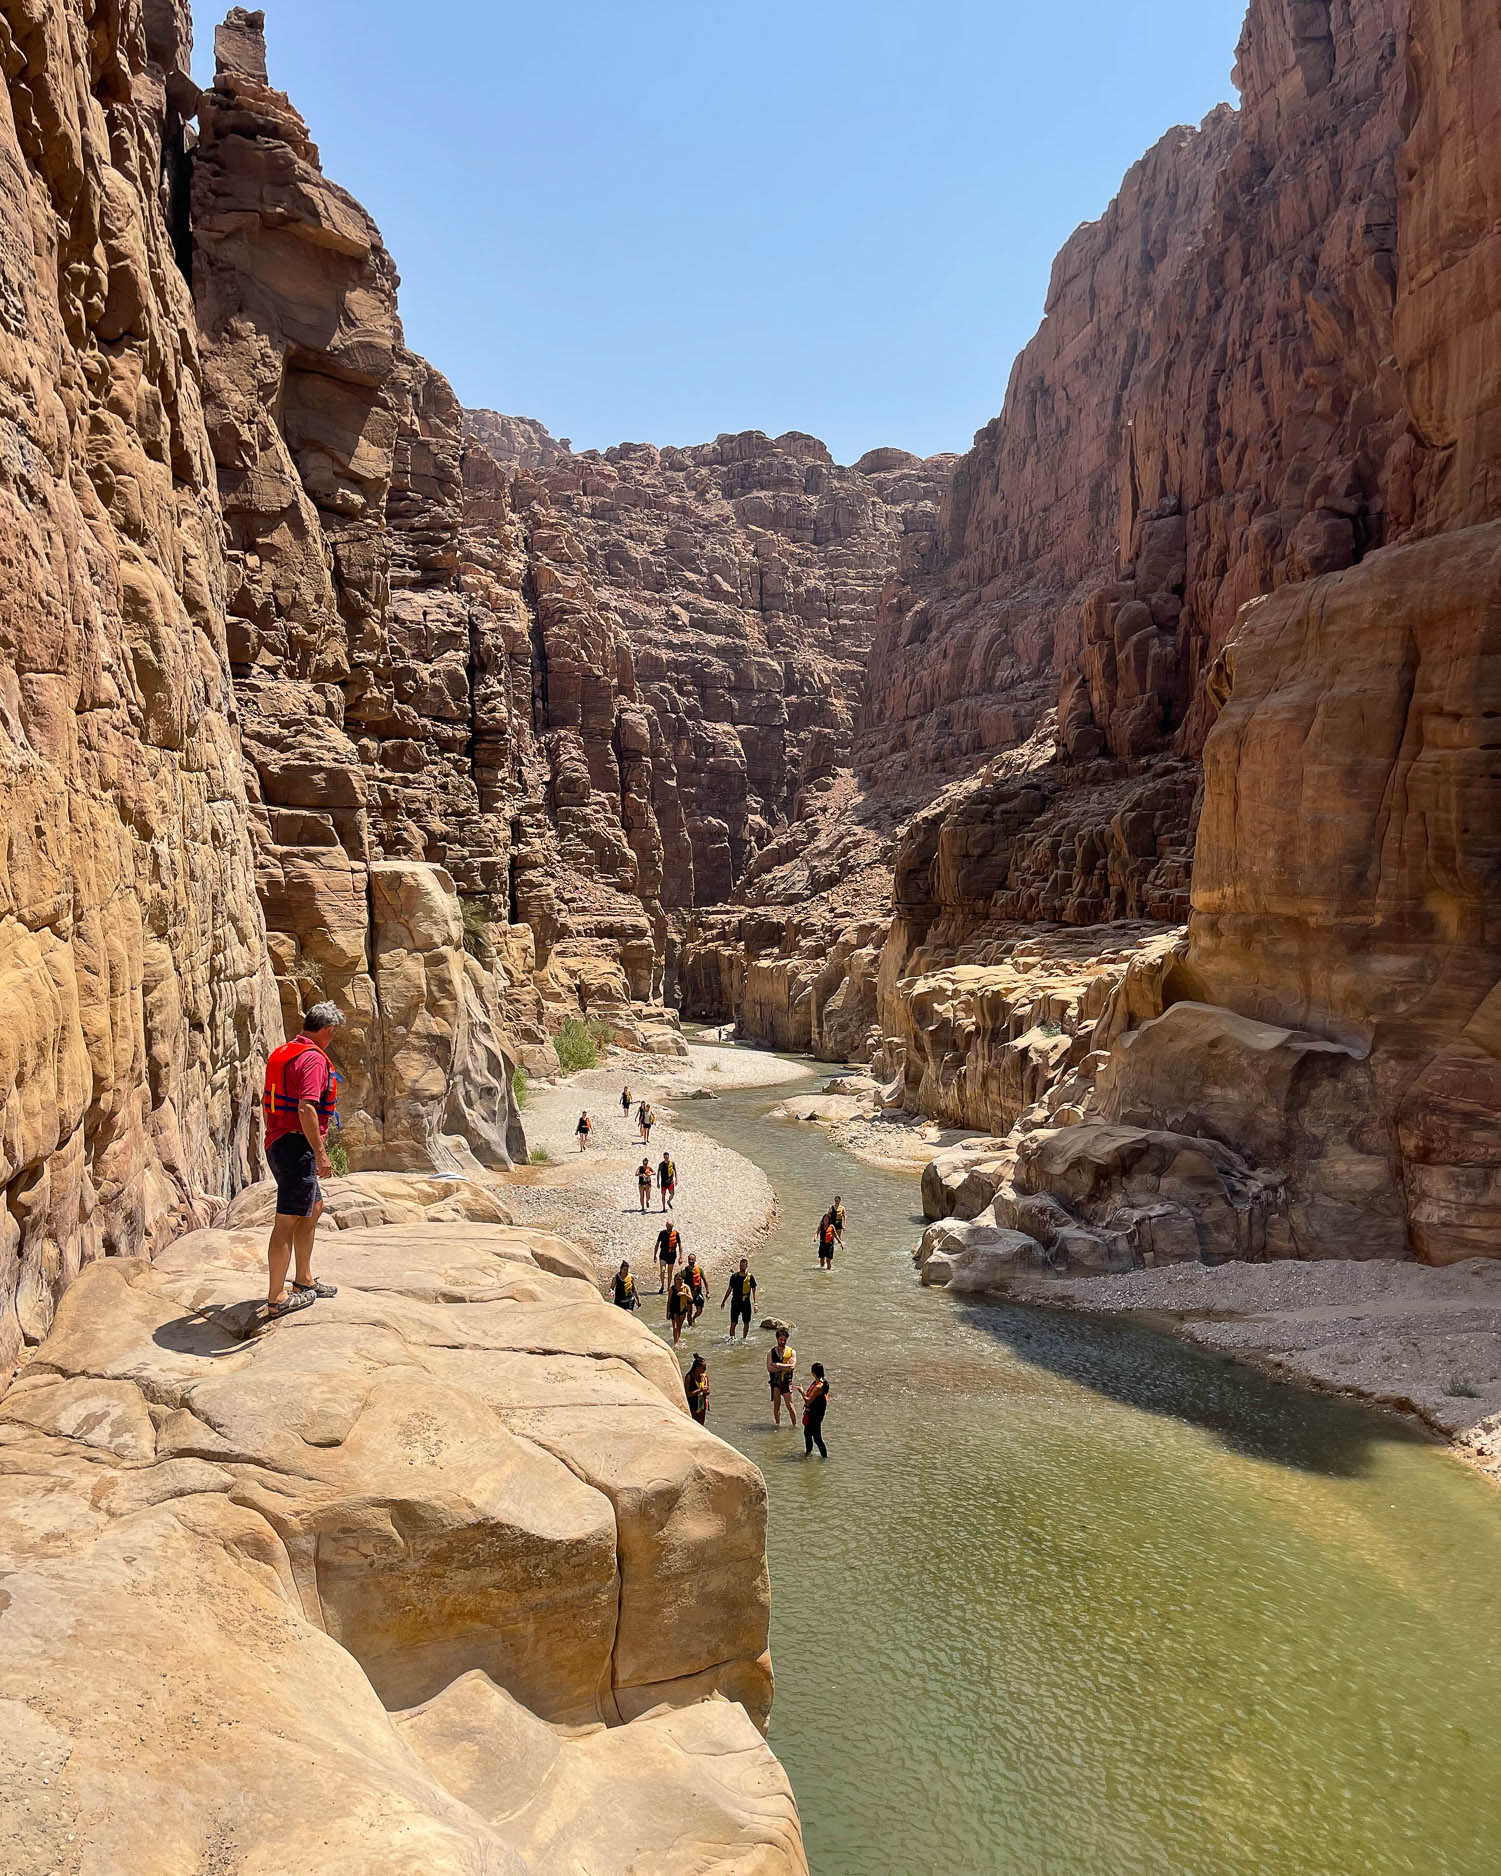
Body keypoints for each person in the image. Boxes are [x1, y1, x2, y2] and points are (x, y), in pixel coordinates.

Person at [260, 1003, 344, 1320]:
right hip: (296, 1146)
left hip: (280, 1142)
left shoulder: (286, 1052)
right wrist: (320, 1153)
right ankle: (277, 1298)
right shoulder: (313, 1059)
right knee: (287, 1221)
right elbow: (307, 1107)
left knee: (314, 1207)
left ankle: (303, 1279)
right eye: (333, 1033)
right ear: (328, 1030)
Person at [767, 1326, 797, 1427]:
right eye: (781, 1339)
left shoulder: (791, 1352)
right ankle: (777, 1425)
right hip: (775, 1382)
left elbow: (792, 1367)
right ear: (777, 1339)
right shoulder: (771, 1352)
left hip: (787, 1381)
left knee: (790, 1405)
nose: (783, 1342)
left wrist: (778, 1365)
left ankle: (794, 1426)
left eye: (784, 1340)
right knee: (776, 1406)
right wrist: (785, 1367)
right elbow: (769, 1368)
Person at [721, 1257, 757, 1341]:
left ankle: (744, 1339)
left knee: (746, 1323)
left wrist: (755, 1303)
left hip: (746, 1302)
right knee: (733, 1323)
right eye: (740, 1265)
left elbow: (754, 1290)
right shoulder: (734, 1276)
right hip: (735, 1302)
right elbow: (729, 1289)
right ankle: (732, 1339)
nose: (742, 1267)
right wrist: (724, 1301)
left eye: (743, 1265)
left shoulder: (750, 1277)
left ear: (746, 1266)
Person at [801, 1362, 830, 1458]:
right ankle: (808, 1454)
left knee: (817, 1438)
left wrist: (801, 1392)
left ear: (813, 1372)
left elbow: (808, 1401)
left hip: (815, 1415)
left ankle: (824, 1457)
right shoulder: (821, 1382)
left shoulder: (818, 1386)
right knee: (807, 1434)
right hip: (814, 1413)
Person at [667, 1269, 694, 1346]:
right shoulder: (672, 1289)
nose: (679, 1281)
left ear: (683, 1280)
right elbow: (668, 1302)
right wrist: (667, 1312)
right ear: (675, 1280)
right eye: (677, 1279)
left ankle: (677, 1339)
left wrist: (684, 1294)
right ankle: (675, 1342)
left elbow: (691, 1299)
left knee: (679, 1326)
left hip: (682, 1308)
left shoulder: (686, 1287)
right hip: (673, 1308)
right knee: (675, 1326)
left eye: (680, 1279)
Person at [655, 1219, 682, 1294]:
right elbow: (657, 1244)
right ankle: (662, 1286)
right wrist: (655, 1255)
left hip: (672, 1255)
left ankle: (668, 1287)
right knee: (662, 1270)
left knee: (670, 1271)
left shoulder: (676, 1234)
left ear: (672, 1226)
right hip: (663, 1254)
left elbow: (680, 1246)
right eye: (667, 1226)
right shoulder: (662, 1233)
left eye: (669, 1226)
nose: (668, 1227)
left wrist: (680, 1257)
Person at [684, 1352, 710, 1424]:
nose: (705, 1370)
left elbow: (708, 1391)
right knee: (694, 1423)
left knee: (701, 1424)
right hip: (692, 1403)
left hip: (702, 1402)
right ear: (697, 1368)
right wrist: (700, 1390)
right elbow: (687, 1394)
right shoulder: (689, 1377)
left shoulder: (704, 1376)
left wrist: (707, 1391)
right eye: (703, 1368)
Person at [684, 1251, 707, 1324]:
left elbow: (705, 1280)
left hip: (697, 1293)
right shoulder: (684, 1271)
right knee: (689, 1312)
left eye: (692, 1259)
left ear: (695, 1260)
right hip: (688, 1294)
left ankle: (694, 1318)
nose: (691, 1261)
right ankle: (690, 1326)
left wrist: (708, 1292)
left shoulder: (699, 1270)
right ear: (688, 1260)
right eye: (689, 1259)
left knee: (699, 1311)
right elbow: (679, 1280)